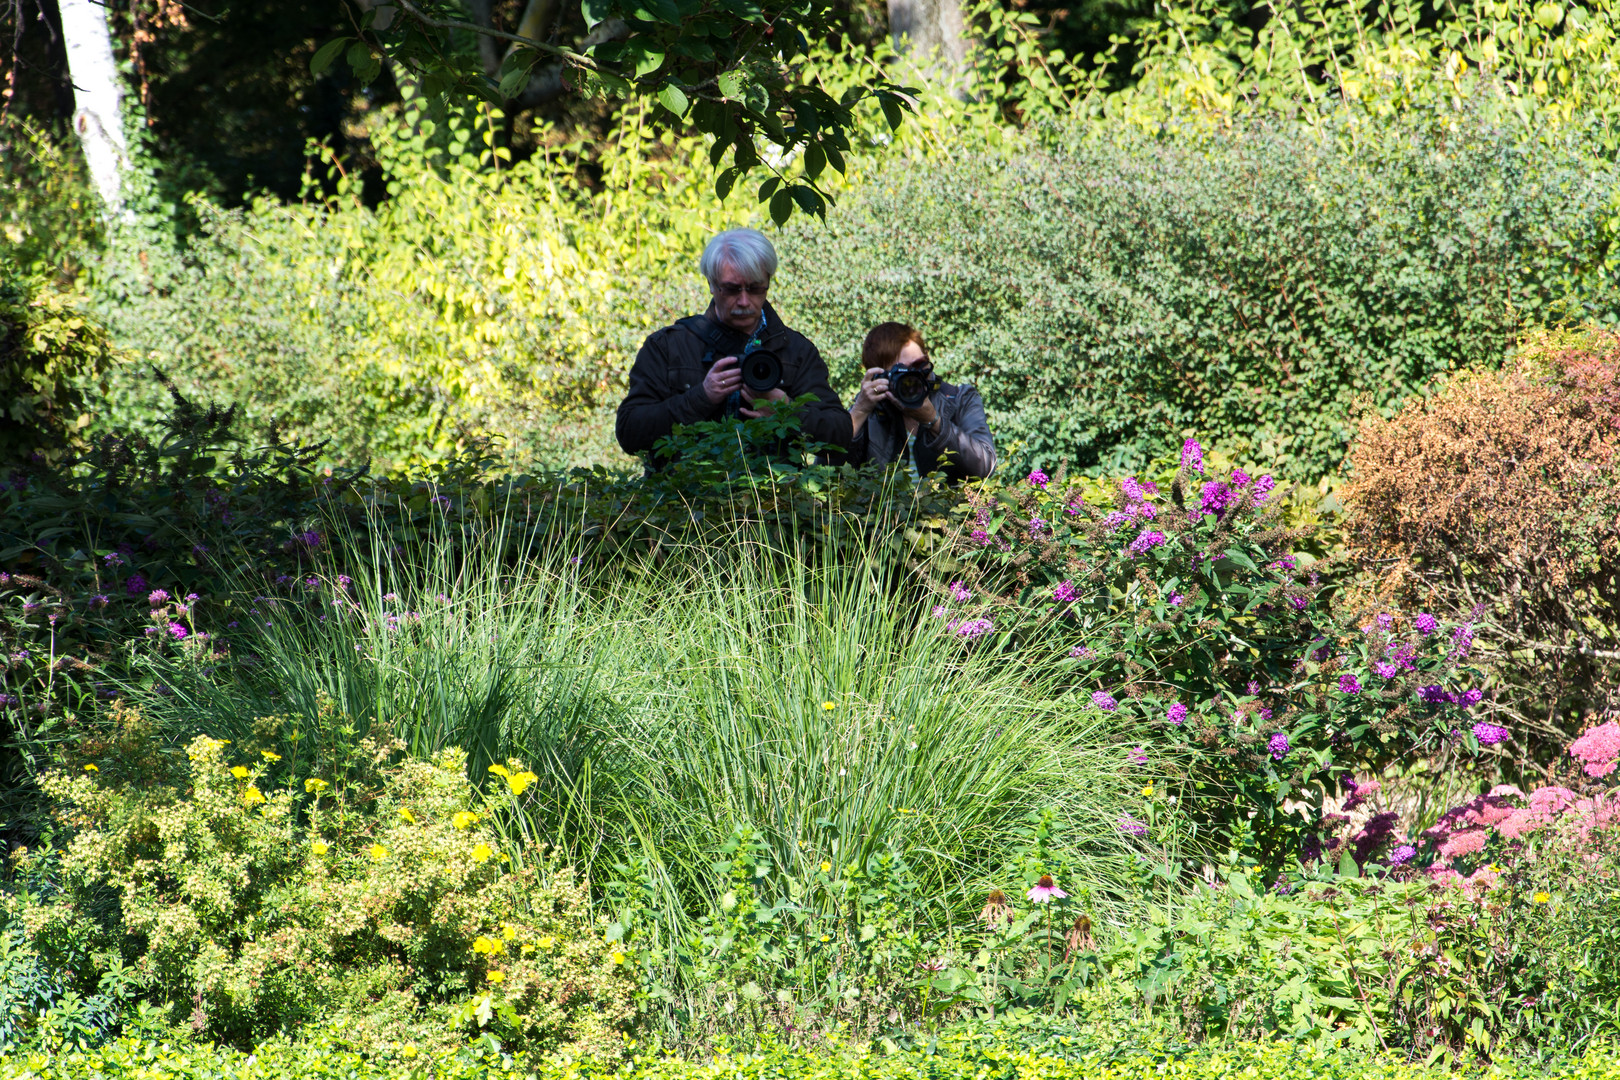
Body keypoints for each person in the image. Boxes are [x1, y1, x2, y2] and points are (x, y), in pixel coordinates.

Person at [615, 227, 852, 468]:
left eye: (756, 288)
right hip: (686, 501)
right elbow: (629, 434)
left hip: (772, 502)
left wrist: (788, 412)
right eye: (731, 289)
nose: (744, 301)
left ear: (768, 281)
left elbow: (841, 433)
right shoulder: (668, 347)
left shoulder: (795, 350)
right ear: (711, 283)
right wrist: (701, 397)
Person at [847, 322, 995, 481]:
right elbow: (827, 475)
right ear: (880, 378)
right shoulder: (870, 409)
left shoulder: (960, 399)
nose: (916, 376)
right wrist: (858, 413)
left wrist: (934, 421)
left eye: (920, 365)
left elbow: (986, 467)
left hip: (951, 506)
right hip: (884, 506)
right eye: (903, 372)